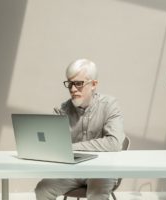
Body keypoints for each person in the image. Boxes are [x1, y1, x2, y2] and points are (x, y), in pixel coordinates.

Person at [35, 58, 126, 200]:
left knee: (96, 195)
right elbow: (54, 145)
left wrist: (71, 147)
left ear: (94, 84)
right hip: (73, 171)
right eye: (70, 84)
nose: (72, 89)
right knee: (42, 189)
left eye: (78, 84)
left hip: (102, 170)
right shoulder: (62, 110)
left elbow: (114, 143)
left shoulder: (110, 105)